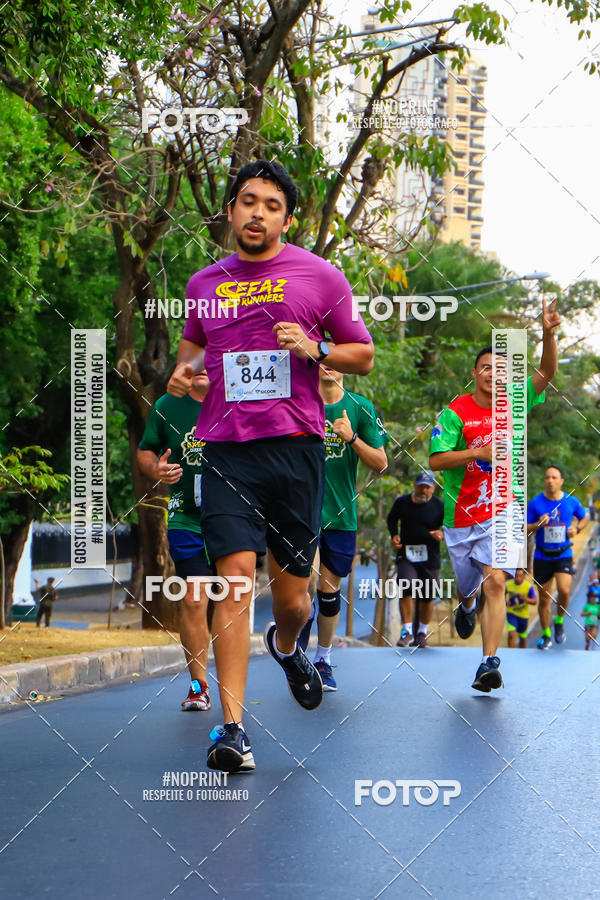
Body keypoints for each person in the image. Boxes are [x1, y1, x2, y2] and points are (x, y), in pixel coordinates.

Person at [168, 159, 373, 772]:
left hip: (297, 448)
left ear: (287, 217)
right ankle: (233, 730)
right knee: (233, 578)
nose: (257, 213)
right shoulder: (204, 282)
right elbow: (191, 356)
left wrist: (315, 348)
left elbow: (362, 352)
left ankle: (286, 647)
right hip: (225, 447)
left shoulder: (320, 275)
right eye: (247, 201)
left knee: (293, 601)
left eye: (271, 205)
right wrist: (183, 376)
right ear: (230, 209)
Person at [429, 299, 560, 692]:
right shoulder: (454, 412)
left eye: (499, 369)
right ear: (475, 373)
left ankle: (488, 663)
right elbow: (436, 461)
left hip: (503, 509)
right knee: (471, 586)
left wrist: (549, 335)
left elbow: (547, 373)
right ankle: (465, 605)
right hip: (462, 515)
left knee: (497, 582)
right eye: (486, 367)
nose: (492, 373)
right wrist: (475, 453)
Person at [296, 363, 388, 689]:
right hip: (301, 512)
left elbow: (380, 462)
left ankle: (323, 659)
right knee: (306, 581)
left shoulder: (360, 408)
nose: (328, 364)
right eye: (322, 355)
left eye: (336, 357)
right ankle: (301, 624)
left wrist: (350, 439)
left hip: (341, 515)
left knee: (328, 590)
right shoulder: (298, 400)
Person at [138, 369, 215, 713]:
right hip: (186, 518)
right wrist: (156, 470)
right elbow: (146, 451)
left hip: (233, 519)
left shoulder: (238, 400)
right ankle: (199, 686)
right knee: (195, 601)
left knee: (230, 604)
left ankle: (233, 683)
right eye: (192, 359)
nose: (199, 365)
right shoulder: (167, 405)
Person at [527, 466, 588, 649]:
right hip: (542, 556)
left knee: (564, 590)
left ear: (561, 481)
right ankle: (546, 634)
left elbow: (584, 518)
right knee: (544, 598)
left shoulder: (571, 501)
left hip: (563, 553)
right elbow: (525, 528)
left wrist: (576, 529)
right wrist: (538, 524)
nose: (550, 480)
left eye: (554, 477)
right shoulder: (536, 503)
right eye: (547, 477)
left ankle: (559, 620)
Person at [386, 471, 444, 648]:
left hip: (430, 556)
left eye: (427, 487)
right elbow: (391, 519)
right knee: (406, 586)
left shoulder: (439, 506)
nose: (424, 490)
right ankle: (407, 631)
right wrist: (394, 535)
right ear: (414, 485)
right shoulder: (402, 502)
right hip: (407, 555)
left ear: (433, 488)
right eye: (421, 486)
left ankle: (422, 632)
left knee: (427, 596)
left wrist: (442, 534)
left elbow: (451, 524)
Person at [505, 568, 536, 648]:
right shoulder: (508, 584)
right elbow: (501, 596)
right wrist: (505, 602)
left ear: (524, 576)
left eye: (520, 576)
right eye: (516, 576)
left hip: (523, 616)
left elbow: (534, 601)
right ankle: (511, 654)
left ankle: (522, 655)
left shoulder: (528, 587)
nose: (518, 578)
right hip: (511, 614)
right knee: (511, 634)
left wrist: (526, 599)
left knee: (522, 638)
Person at [581, 577, 600, 650]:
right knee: (587, 638)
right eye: (592, 598)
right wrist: (587, 613)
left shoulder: (598, 606)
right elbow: (582, 614)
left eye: (594, 598)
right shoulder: (587, 606)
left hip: (595, 623)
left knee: (594, 635)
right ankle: (588, 643)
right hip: (588, 624)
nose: (593, 599)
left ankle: (593, 646)